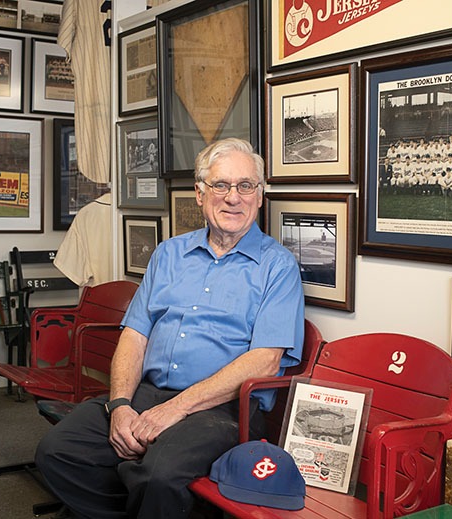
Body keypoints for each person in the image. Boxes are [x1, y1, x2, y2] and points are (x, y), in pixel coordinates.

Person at [35, 138, 305, 519]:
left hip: (221, 410)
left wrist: (174, 410)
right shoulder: (169, 254)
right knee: (58, 451)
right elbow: (135, 335)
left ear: (259, 196)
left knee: (158, 476)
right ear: (199, 193)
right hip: (147, 394)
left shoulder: (277, 267)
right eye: (221, 185)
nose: (233, 197)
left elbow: (263, 362)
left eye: (245, 186)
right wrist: (121, 406)